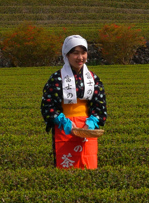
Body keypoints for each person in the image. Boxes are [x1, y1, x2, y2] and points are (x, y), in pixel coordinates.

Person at [40, 34, 108, 169]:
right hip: (64, 126)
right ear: (67, 55)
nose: (80, 57)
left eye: (83, 53)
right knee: (66, 164)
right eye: (75, 53)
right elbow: (47, 105)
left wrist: (92, 122)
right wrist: (62, 121)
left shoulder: (93, 78)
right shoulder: (56, 78)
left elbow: (100, 104)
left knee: (88, 164)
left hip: (87, 127)